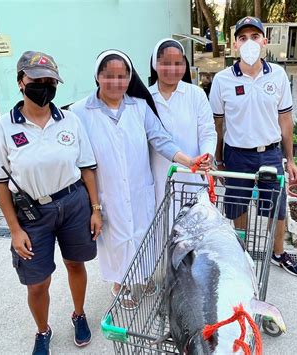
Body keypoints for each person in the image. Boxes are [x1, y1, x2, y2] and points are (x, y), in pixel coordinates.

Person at [0, 51, 102, 355]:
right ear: (21, 81)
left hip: (74, 203)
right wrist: (14, 230)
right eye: (37, 80)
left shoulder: (70, 121)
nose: (45, 86)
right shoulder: (2, 127)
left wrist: (95, 209)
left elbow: (87, 167)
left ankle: (79, 314)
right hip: (31, 214)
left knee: (76, 264)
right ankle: (42, 330)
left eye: (51, 81)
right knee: (37, 282)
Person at [70, 49, 207, 307]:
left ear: (130, 78)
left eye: (122, 76)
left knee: (142, 236)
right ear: (97, 76)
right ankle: (121, 282)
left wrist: (187, 160)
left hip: (138, 187)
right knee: (116, 239)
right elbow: (78, 159)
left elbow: (160, 139)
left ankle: (142, 278)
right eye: (108, 76)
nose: (116, 82)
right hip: (106, 192)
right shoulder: (80, 112)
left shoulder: (139, 106)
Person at [209, 16, 297, 276]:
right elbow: (217, 124)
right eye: (243, 38)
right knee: (237, 207)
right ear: (235, 44)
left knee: (277, 207)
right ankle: (241, 252)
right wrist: (218, 160)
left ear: (264, 41)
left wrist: (290, 159)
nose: (249, 42)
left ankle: (278, 253)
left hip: (270, 154)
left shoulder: (278, 75)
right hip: (237, 155)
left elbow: (285, 119)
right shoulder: (222, 80)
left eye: (254, 36)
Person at [149, 38, 216, 209]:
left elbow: (207, 132)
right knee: (161, 226)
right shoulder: (146, 99)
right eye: (165, 63)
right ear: (155, 64)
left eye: (178, 63)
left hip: (192, 177)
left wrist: (207, 156)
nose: (172, 69)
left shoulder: (196, 94)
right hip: (158, 177)